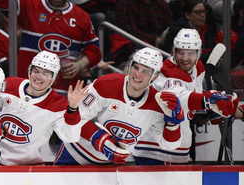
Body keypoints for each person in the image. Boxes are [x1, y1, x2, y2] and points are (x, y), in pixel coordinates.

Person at [54, 47, 184, 165]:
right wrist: (100, 140)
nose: (137, 74)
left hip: (110, 166)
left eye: (145, 71)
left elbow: (169, 145)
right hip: (75, 155)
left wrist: (173, 122)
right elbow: (75, 119)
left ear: (154, 77)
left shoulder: (158, 103)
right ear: (130, 66)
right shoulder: (106, 84)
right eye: (136, 67)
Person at [132, 29, 235, 165]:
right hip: (154, 150)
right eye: (180, 52)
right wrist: (208, 101)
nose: (185, 58)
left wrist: (205, 111)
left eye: (190, 53)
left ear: (199, 53)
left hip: (178, 148)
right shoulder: (165, 72)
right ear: (173, 52)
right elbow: (179, 98)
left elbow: (192, 100)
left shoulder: (198, 68)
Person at [0, 51, 84, 165]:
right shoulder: (10, 84)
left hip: (29, 167)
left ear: (53, 78)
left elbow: (71, 137)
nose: (38, 76)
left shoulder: (58, 105)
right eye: (36, 71)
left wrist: (72, 109)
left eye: (45, 74)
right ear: (29, 71)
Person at [0, 0, 101, 97]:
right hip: (28, 87)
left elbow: (94, 50)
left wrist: (79, 65)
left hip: (63, 91)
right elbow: (3, 3)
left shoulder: (82, 17)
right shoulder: (29, 6)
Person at [111, 0, 172, 66]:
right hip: (134, 42)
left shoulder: (161, 4)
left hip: (159, 42)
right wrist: (154, 40)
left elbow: (169, 26)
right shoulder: (125, 4)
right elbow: (129, 31)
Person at [161, 0, 217, 64]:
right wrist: (211, 56)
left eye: (204, 11)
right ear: (187, 15)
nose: (202, 15)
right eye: (198, 12)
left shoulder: (208, 30)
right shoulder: (176, 32)